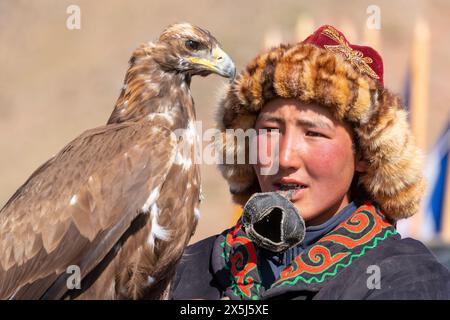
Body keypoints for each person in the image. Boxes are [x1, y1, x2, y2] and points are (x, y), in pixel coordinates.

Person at [171, 25, 450, 300]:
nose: (284, 158)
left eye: (314, 133)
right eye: (270, 130)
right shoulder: (187, 270)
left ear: (364, 155)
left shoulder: (408, 278)